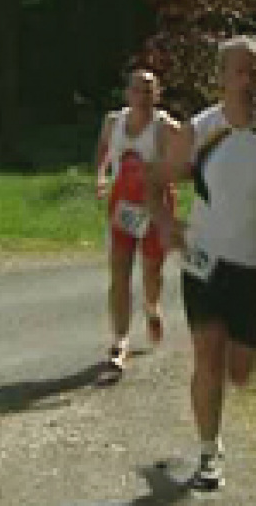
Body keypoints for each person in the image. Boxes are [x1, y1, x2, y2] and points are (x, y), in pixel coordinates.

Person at [147, 35, 256, 498]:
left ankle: (214, 403)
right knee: (208, 356)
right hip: (204, 262)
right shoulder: (200, 130)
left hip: (255, 263)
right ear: (221, 78)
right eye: (239, 72)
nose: (247, 81)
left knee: (240, 370)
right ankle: (209, 451)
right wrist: (167, 224)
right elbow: (156, 180)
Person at [94, 69, 179, 378]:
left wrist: (164, 171)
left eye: (149, 91)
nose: (142, 97)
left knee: (152, 270)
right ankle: (119, 343)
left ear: (157, 94)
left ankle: (152, 305)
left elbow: (187, 159)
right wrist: (102, 177)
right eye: (137, 90)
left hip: (155, 206)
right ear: (127, 93)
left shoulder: (164, 126)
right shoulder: (113, 122)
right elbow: (103, 151)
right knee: (119, 271)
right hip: (124, 204)